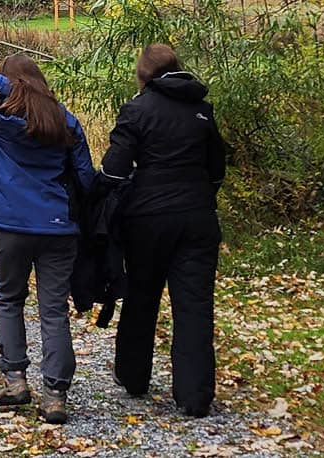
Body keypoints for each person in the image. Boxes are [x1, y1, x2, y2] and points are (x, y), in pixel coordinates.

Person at [0, 53, 95, 424]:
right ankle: (55, 395)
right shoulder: (64, 120)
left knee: (8, 299)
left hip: (11, 225)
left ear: (11, 83)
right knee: (54, 310)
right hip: (57, 227)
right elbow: (85, 178)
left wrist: (12, 88)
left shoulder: (1, 118)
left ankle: (15, 380)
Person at [102, 44, 226, 418]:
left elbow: (113, 171)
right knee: (195, 303)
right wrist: (200, 195)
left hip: (147, 219)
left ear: (143, 72)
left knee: (142, 295)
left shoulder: (137, 110)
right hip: (198, 217)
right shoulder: (202, 110)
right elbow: (217, 168)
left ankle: (133, 374)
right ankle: (195, 395)